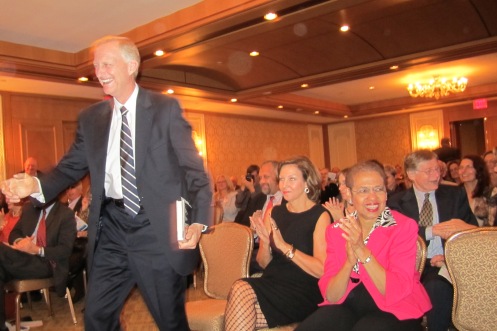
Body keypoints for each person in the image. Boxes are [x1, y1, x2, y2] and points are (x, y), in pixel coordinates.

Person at [1, 35, 212, 331]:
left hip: (155, 229)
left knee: (170, 322)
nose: (99, 72)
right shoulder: (92, 119)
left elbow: (196, 173)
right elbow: (68, 168)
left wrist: (199, 223)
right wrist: (34, 186)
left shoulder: (164, 110)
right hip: (111, 229)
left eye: (107, 64)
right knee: (97, 318)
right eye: (96, 65)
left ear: (132, 65)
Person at [297, 161, 431, 331]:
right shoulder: (337, 231)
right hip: (348, 302)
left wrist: (362, 251)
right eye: (363, 191)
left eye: (379, 189)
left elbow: (396, 290)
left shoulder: (403, 227)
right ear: (349, 195)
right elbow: (331, 295)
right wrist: (348, 264)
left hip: (394, 307)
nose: (372, 197)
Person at [224, 156, 331, 330]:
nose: (284, 185)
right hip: (273, 282)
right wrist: (265, 242)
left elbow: (321, 270)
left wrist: (286, 248)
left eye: (292, 179)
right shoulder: (275, 212)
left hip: (302, 290)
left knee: (240, 291)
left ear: (307, 182)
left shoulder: (320, 215)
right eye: (282, 179)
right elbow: (264, 263)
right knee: (239, 296)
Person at [387, 150, 477, 331]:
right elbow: (392, 236)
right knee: (433, 286)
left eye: (437, 169)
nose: (436, 175)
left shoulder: (455, 195)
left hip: (450, 263)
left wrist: (450, 256)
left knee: (438, 285)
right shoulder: (395, 203)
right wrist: (430, 231)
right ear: (411, 175)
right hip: (413, 266)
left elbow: (472, 232)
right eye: (429, 171)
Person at [0, 200, 76, 331]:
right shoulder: (30, 209)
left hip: (47, 262)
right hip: (23, 257)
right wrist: (20, 241)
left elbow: (65, 250)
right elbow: (14, 233)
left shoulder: (65, 214)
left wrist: (36, 250)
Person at [459, 155, 494, 226]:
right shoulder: (455, 194)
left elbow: (492, 223)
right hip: (461, 236)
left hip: (486, 235)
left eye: (468, 167)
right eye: (461, 167)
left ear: (478, 170)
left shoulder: (491, 193)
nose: (463, 171)